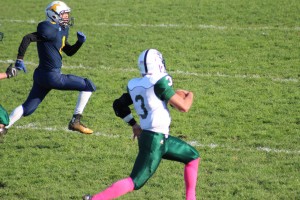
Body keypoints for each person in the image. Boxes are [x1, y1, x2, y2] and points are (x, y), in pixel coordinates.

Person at [83, 49, 200, 200]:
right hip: (155, 140)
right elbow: (184, 106)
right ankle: (95, 199)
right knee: (134, 181)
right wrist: (190, 94)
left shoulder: (135, 84)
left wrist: (133, 124)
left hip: (155, 137)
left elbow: (118, 105)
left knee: (192, 157)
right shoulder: (159, 82)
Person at [6, 1, 96, 134]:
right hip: (52, 76)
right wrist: (19, 59)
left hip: (41, 76)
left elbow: (68, 51)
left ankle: (3, 127)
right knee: (88, 85)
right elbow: (28, 38)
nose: (67, 17)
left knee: (28, 108)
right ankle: (75, 121)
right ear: (53, 15)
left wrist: (79, 43)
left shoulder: (62, 29)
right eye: (64, 14)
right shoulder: (47, 28)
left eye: (67, 14)